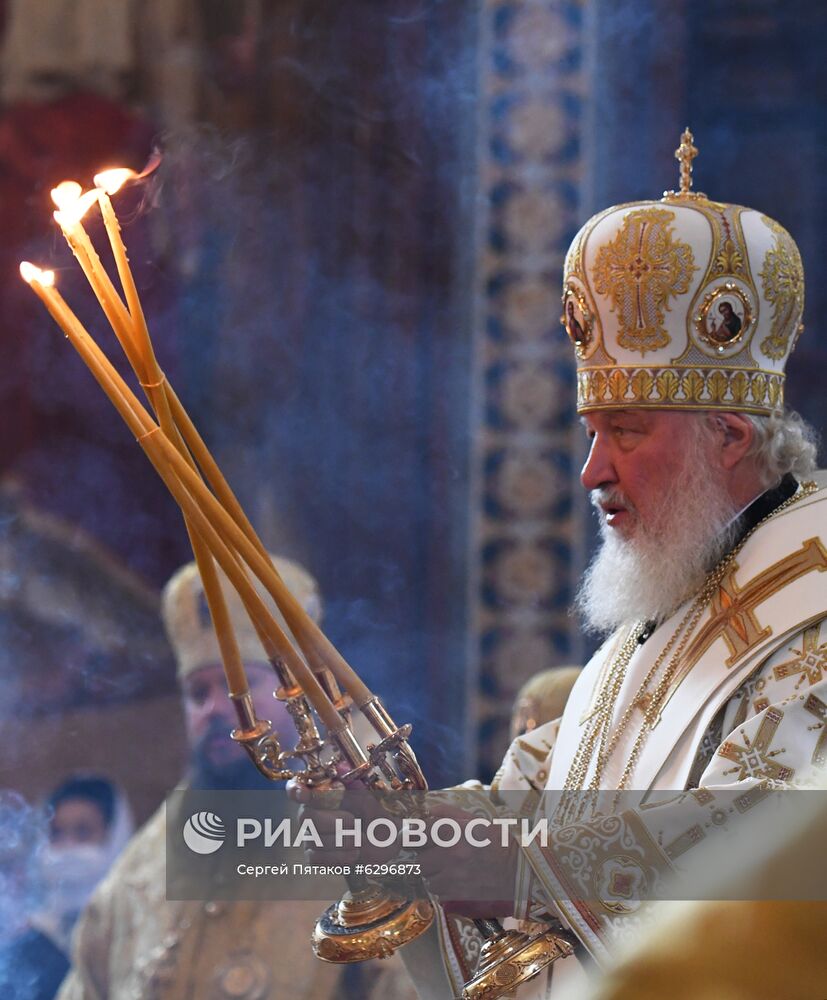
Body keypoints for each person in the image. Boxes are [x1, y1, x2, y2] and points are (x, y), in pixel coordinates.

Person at [311, 133, 825, 998]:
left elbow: (770, 848)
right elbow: (543, 792)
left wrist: (509, 867)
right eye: (591, 435)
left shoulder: (810, 612)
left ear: (727, 437)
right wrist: (409, 826)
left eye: (624, 432)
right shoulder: (659, 616)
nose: (591, 472)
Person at [57, 554, 403, 1000]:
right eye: (198, 693)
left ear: (298, 697)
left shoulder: (365, 843)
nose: (215, 708)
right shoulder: (134, 877)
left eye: (240, 687)